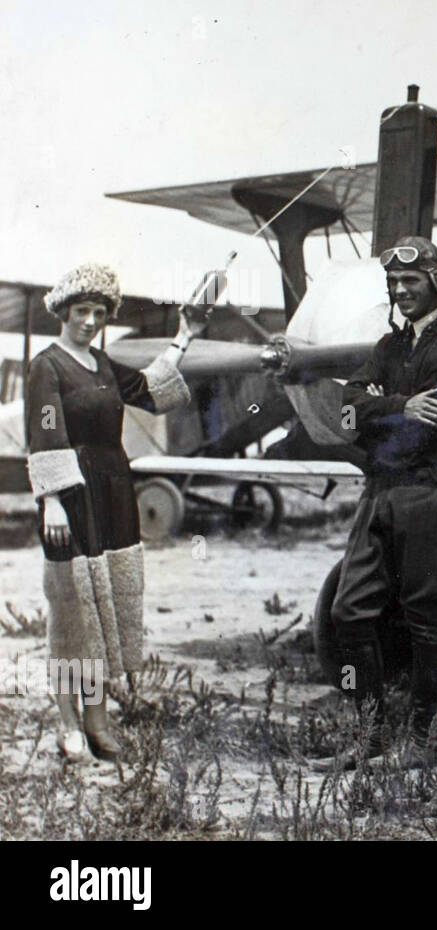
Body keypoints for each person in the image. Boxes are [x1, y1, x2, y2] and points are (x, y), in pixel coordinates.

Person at [316, 235, 437, 769]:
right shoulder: (389, 349)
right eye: (394, 283)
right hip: (379, 492)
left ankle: (420, 740)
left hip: (425, 493)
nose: (402, 290)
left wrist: (375, 414)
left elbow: (421, 438)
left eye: (411, 280)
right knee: (349, 610)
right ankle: (371, 735)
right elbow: (344, 414)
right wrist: (401, 405)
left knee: (423, 619)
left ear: (435, 280)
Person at [26, 262, 201, 763]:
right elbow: (46, 434)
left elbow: (151, 388)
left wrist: (185, 335)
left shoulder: (103, 364)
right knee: (71, 611)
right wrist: (52, 499)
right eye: (81, 310)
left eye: (99, 312)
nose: (89, 320)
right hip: (71, 498)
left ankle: (99, 723)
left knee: (104, 609)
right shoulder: (47, 366)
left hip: (113, 491)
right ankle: (68, 725)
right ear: (63, 311)